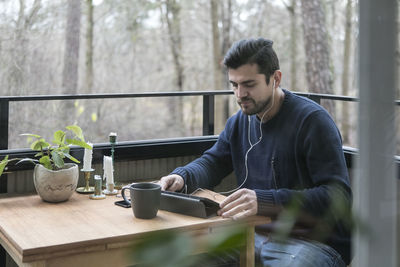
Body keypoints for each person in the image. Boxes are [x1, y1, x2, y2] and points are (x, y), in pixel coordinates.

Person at [160, 38, 352, 267]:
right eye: (234, 84)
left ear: (276, 79)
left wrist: (264, 200)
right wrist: (183, 177)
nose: (240, 94)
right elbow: (212, 162)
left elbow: (338, 197)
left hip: (314, 242)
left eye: (249, 84)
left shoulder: (312, 122)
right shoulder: (239, 123)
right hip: (253, 233)